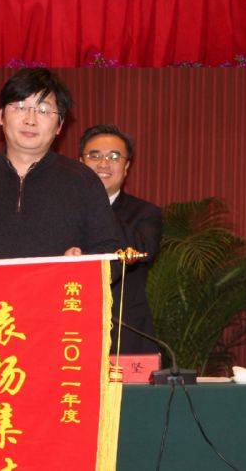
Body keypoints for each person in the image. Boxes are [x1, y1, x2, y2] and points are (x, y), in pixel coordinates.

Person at [0, 69, 120, 261]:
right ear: (1, 116)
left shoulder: (84, 182)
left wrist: (82, 261)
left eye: (43, 110)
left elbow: (110, 252)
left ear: (60, 125)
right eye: (20, 107)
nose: (30, 120)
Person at [79, 125, 162, 353]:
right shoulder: (62, 211)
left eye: (114, 157)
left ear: (126, 167)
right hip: (70, 326)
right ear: (80, 163)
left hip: (125, 333)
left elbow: (142, 251)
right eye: (95, 155)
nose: (104, 164)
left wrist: (98, 205)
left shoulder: (145, 213)